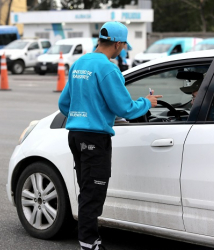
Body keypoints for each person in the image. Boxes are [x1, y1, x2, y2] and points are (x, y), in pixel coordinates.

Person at [58, 21, 162, 250]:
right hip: (95, 139)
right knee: (93, 192)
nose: (123, 49)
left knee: (87, 189)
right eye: (124, 45)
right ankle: (89, 243)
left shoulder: (79, 63)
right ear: (117, 44)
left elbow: (64, 103)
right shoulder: (108, 68)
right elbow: (124, 108)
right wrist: (147, 102)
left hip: (75, 135)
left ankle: (88, 240)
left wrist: (83, 112)